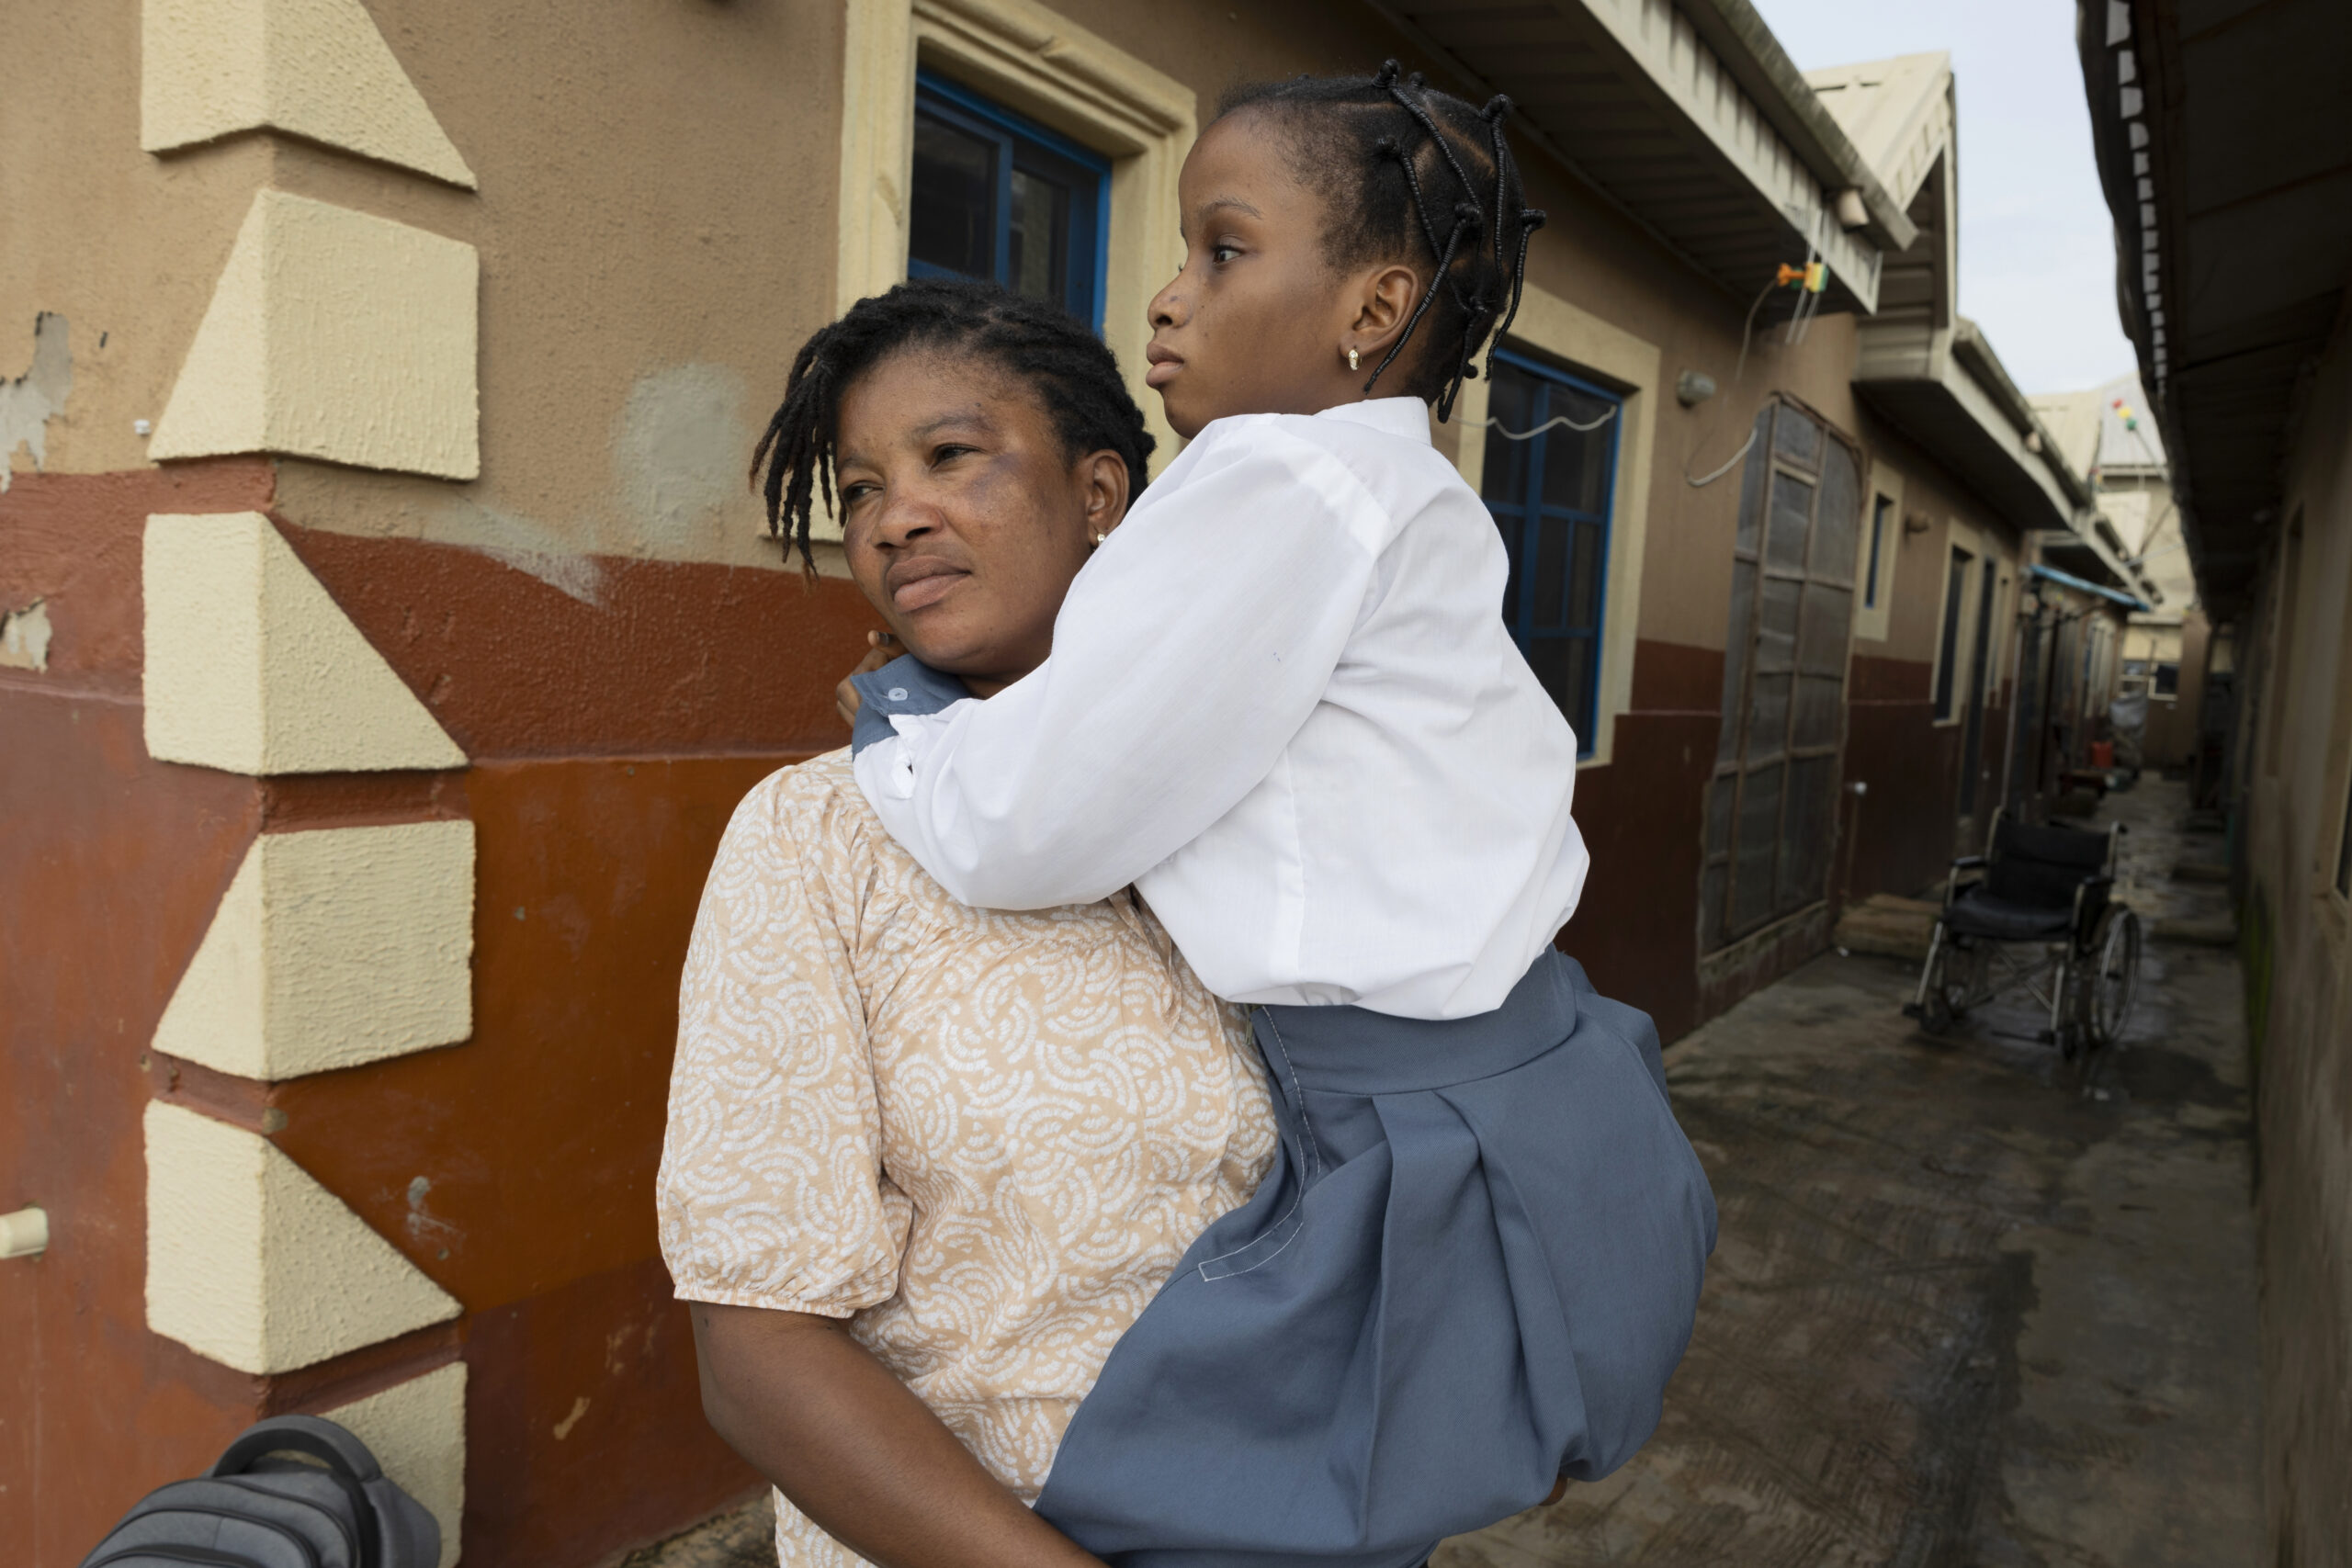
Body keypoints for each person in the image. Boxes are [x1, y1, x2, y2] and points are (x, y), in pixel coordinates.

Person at [801, 67, 1719, 1568]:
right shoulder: (1398, 499)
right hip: (1532, 1078)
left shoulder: (1279, 479)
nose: (1167, 300)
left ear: (1372, 305)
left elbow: (1030, 822)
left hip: (1407, 1124)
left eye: (1222, 250)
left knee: (1156, 1503)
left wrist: (906, 724)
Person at [657, 280, 1278, 1568]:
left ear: (1100, 497)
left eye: (950, 458)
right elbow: (757, 1344)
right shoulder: (819, 840)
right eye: (862, 490)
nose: (898, 519)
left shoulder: (1265, 800)